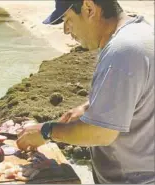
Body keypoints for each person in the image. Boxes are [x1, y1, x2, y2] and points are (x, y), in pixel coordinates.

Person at [16, 0, 154, 184]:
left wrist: (47, 131)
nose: (66, 30)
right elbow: (140, 94)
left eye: (67, 19)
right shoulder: (141, 33)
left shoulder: (123, 51)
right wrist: (91, 106)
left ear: (88, 8)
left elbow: (101, 133)